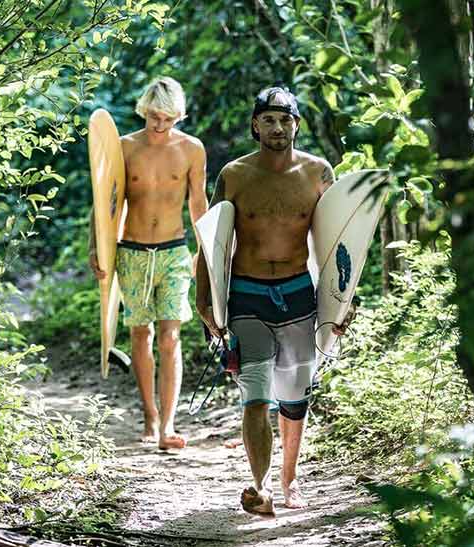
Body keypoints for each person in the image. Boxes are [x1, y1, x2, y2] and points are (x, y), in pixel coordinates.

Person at [195, 86, 354, 514]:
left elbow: (338, 244)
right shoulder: (234, 174)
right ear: (255, 125)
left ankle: (291, 479)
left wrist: (342, 302)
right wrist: (204, 300)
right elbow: (211, 243)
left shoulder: (319, 173)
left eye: (285, 120)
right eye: (269, 119)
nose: (277, 127)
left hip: (298, 293)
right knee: (256, 394)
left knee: (294, 396)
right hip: (247, 296)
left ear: (296, 125)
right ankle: (260, 486)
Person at [89, 77, 208, 450]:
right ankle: (149, 414)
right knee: (141, 334)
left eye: (168, 118)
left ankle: (168, 423)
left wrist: (204, 251)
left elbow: (197, 203)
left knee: (171, 337)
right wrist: (98, 248)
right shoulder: (124, 148)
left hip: (174, 249)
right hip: (132, 251)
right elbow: (106, 204)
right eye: (154, 116)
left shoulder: (191, 149)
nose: (160, 125)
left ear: (178, 116)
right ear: (144, 111)